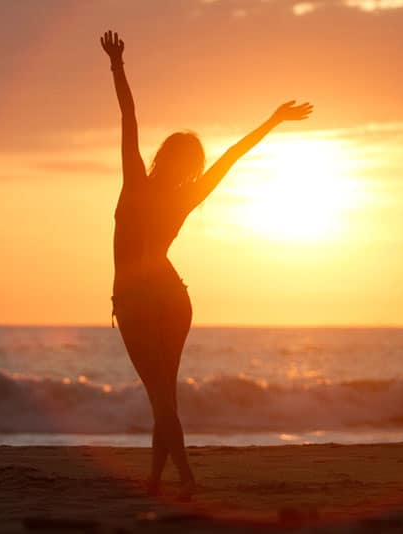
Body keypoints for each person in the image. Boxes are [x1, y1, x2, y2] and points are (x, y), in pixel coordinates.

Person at [101, 30, 313, 500]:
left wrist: (117, 65)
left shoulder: (136, 181)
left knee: (160, 395)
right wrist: (273, 121)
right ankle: (160, 480)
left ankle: (186, 480)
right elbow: (234, 156)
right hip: (173, 297)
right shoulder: (187, 196)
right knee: (164, 395)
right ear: (190, 168)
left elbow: (129, 117)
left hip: (139, 300)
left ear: (162, 158)